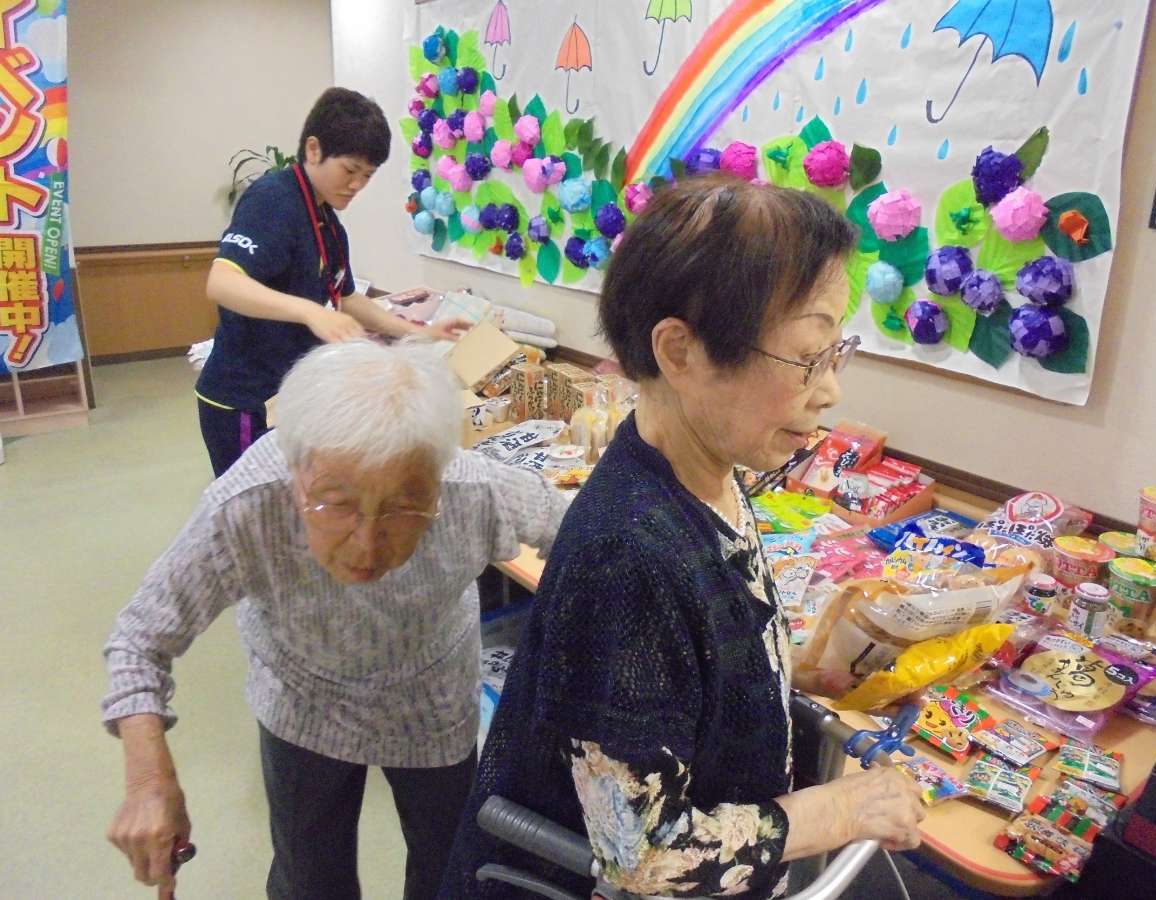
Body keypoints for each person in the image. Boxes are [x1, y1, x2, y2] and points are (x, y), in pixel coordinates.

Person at [440, 177, 924, 900]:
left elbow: (699, 647)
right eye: (806, 358)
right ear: (680, 351)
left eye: (835, 354)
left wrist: (793, 668)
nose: (829, 391)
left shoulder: (709, 472)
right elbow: (643, 853)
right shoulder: (627, 553)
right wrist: (842, 809)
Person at [103, 341, 569, 900]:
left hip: (431, 700)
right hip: (303, 701)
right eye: (336, 502)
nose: (367, 545)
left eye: (402, 506)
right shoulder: (250, 502)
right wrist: (149, 782)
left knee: (449, 870)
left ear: (434, 478)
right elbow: (139, 639)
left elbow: (586, 531)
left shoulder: (472, 489)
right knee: (311, 878)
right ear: (295, 473)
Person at [195, 86, 468, 477]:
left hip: (284, 395)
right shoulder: (273, 199)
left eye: (367, 176)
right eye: (350, 170)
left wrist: (419, 332)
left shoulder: (328, 223)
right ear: (313, 149)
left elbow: (348, 298)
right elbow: (222, 283)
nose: (357, 185)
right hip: (242, 400)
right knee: (255, 502)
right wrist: (311, 312)